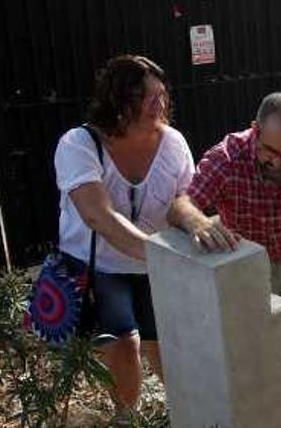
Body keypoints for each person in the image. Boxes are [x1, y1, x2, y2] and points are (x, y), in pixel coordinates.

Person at [167, 92, 281, 394]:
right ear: (255, 129)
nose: (277, 162)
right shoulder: (225, 158)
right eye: (269, 150)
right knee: (254, 361)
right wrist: (199, 220)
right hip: (244, 274)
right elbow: (181, 206)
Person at [54, 55, 195, 416]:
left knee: (166, 342)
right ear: (119, 100)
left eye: (162, 96)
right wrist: (156, 252)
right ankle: (127, 417)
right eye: (147, 97)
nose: (159, 105)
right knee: (123, 344)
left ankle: (192, 409)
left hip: (154, 263)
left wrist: (200, 226)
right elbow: (97, 214)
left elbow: (184, 199)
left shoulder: (174, 142)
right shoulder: (79, 144)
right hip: (100, 264)